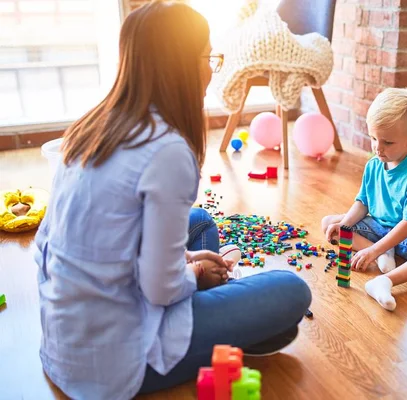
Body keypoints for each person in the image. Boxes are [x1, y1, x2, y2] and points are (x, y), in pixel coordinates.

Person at [33, 2, 311, 399]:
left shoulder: (92, 127)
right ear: (180, 65)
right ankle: (221, 319)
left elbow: (105, 241)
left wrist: (185, 261)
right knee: (291, 291)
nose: (209, 69)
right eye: (208, 57)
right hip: (117, 362)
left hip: (64, 342)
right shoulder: (166, 150)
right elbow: (160, 291)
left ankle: (221, 312)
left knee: (200, 224)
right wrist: (194, 273)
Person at [321, 88, 407, 311]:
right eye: (374, 138)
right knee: (329, 223)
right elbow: (363, 203)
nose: (378, 148)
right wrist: (345, 225)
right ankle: (384, 251)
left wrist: (372, 251)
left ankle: (386, 280)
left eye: (388, 142)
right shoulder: (374, 164)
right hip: (379, 226)